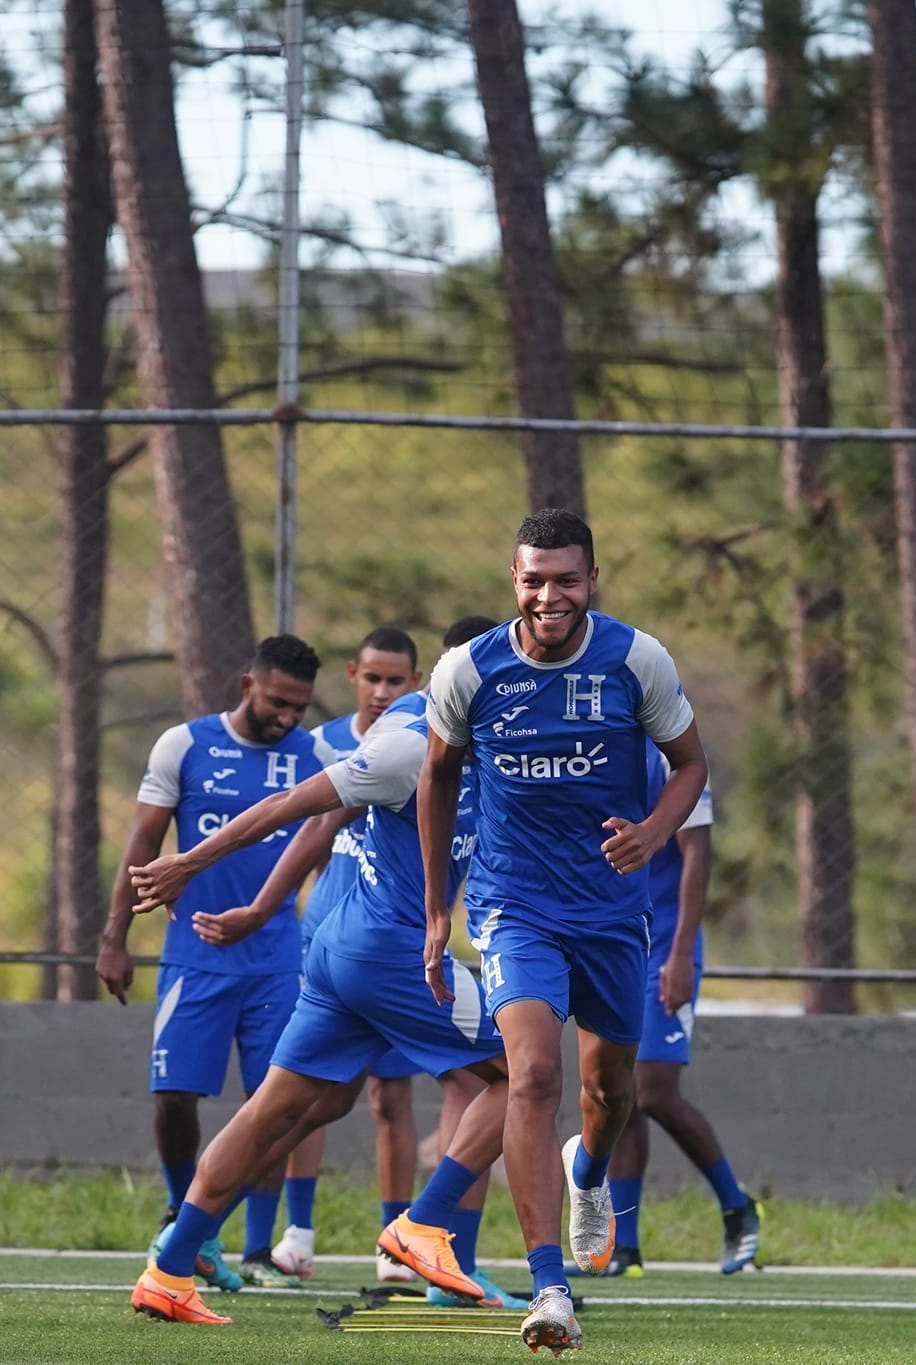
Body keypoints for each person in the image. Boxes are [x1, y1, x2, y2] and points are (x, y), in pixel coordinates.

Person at [129, 615, 530, 1326]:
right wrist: (189, 862)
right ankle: (423, 1225)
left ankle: (167, 1267)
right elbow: (297, 805)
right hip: (386, 950)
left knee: (272, 1111)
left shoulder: (469, 728)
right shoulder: (410, 742)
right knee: (525, 1068)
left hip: (345, 955)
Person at [418, 508, 706, 1355]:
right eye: (534, 578)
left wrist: (654, 832)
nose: (550, 595)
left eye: (566, 579)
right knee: (532, 1070)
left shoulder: (635, 659)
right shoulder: (469, 670)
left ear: (591, 582)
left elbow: (692, 764)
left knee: (612, 1092)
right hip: (514, 903)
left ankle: (590, 1172)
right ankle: (551, 1284)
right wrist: (440, 908)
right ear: (514, 579)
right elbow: (437, 776)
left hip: (614, 910)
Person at [96, 635, 336, 1290]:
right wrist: (116, 936)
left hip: (277, 960)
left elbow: (332, 840)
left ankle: (255, 1247)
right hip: (194, 956)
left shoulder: (315, 754)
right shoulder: (185, 744)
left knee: (276, 1104)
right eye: (279, 702)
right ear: (246, 685)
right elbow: (143, 844)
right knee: (173, 1095)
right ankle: (183, 1214)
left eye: (299, 706)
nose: (288, 716)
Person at [273, 627, 425, 1285]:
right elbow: (303, 829)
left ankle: (397, 1242)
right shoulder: (323, 744)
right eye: (373, 678)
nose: (383, 690)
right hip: (328, 927)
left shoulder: (424, 745)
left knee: (391, 1094)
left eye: (397, 680)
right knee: (306, 1086)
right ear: (353, 675)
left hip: (390, 935)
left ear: (415, 683)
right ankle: (298, 1232)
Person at [603, 739, 760, 1278]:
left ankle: (738, 1207)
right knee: (617, 1092)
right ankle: (623, 1247)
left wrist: (680, 955)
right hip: (615, 943)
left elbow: (697, 855)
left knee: (653, 1089)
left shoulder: (674, 758)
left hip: (665, 950)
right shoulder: (588, 747)